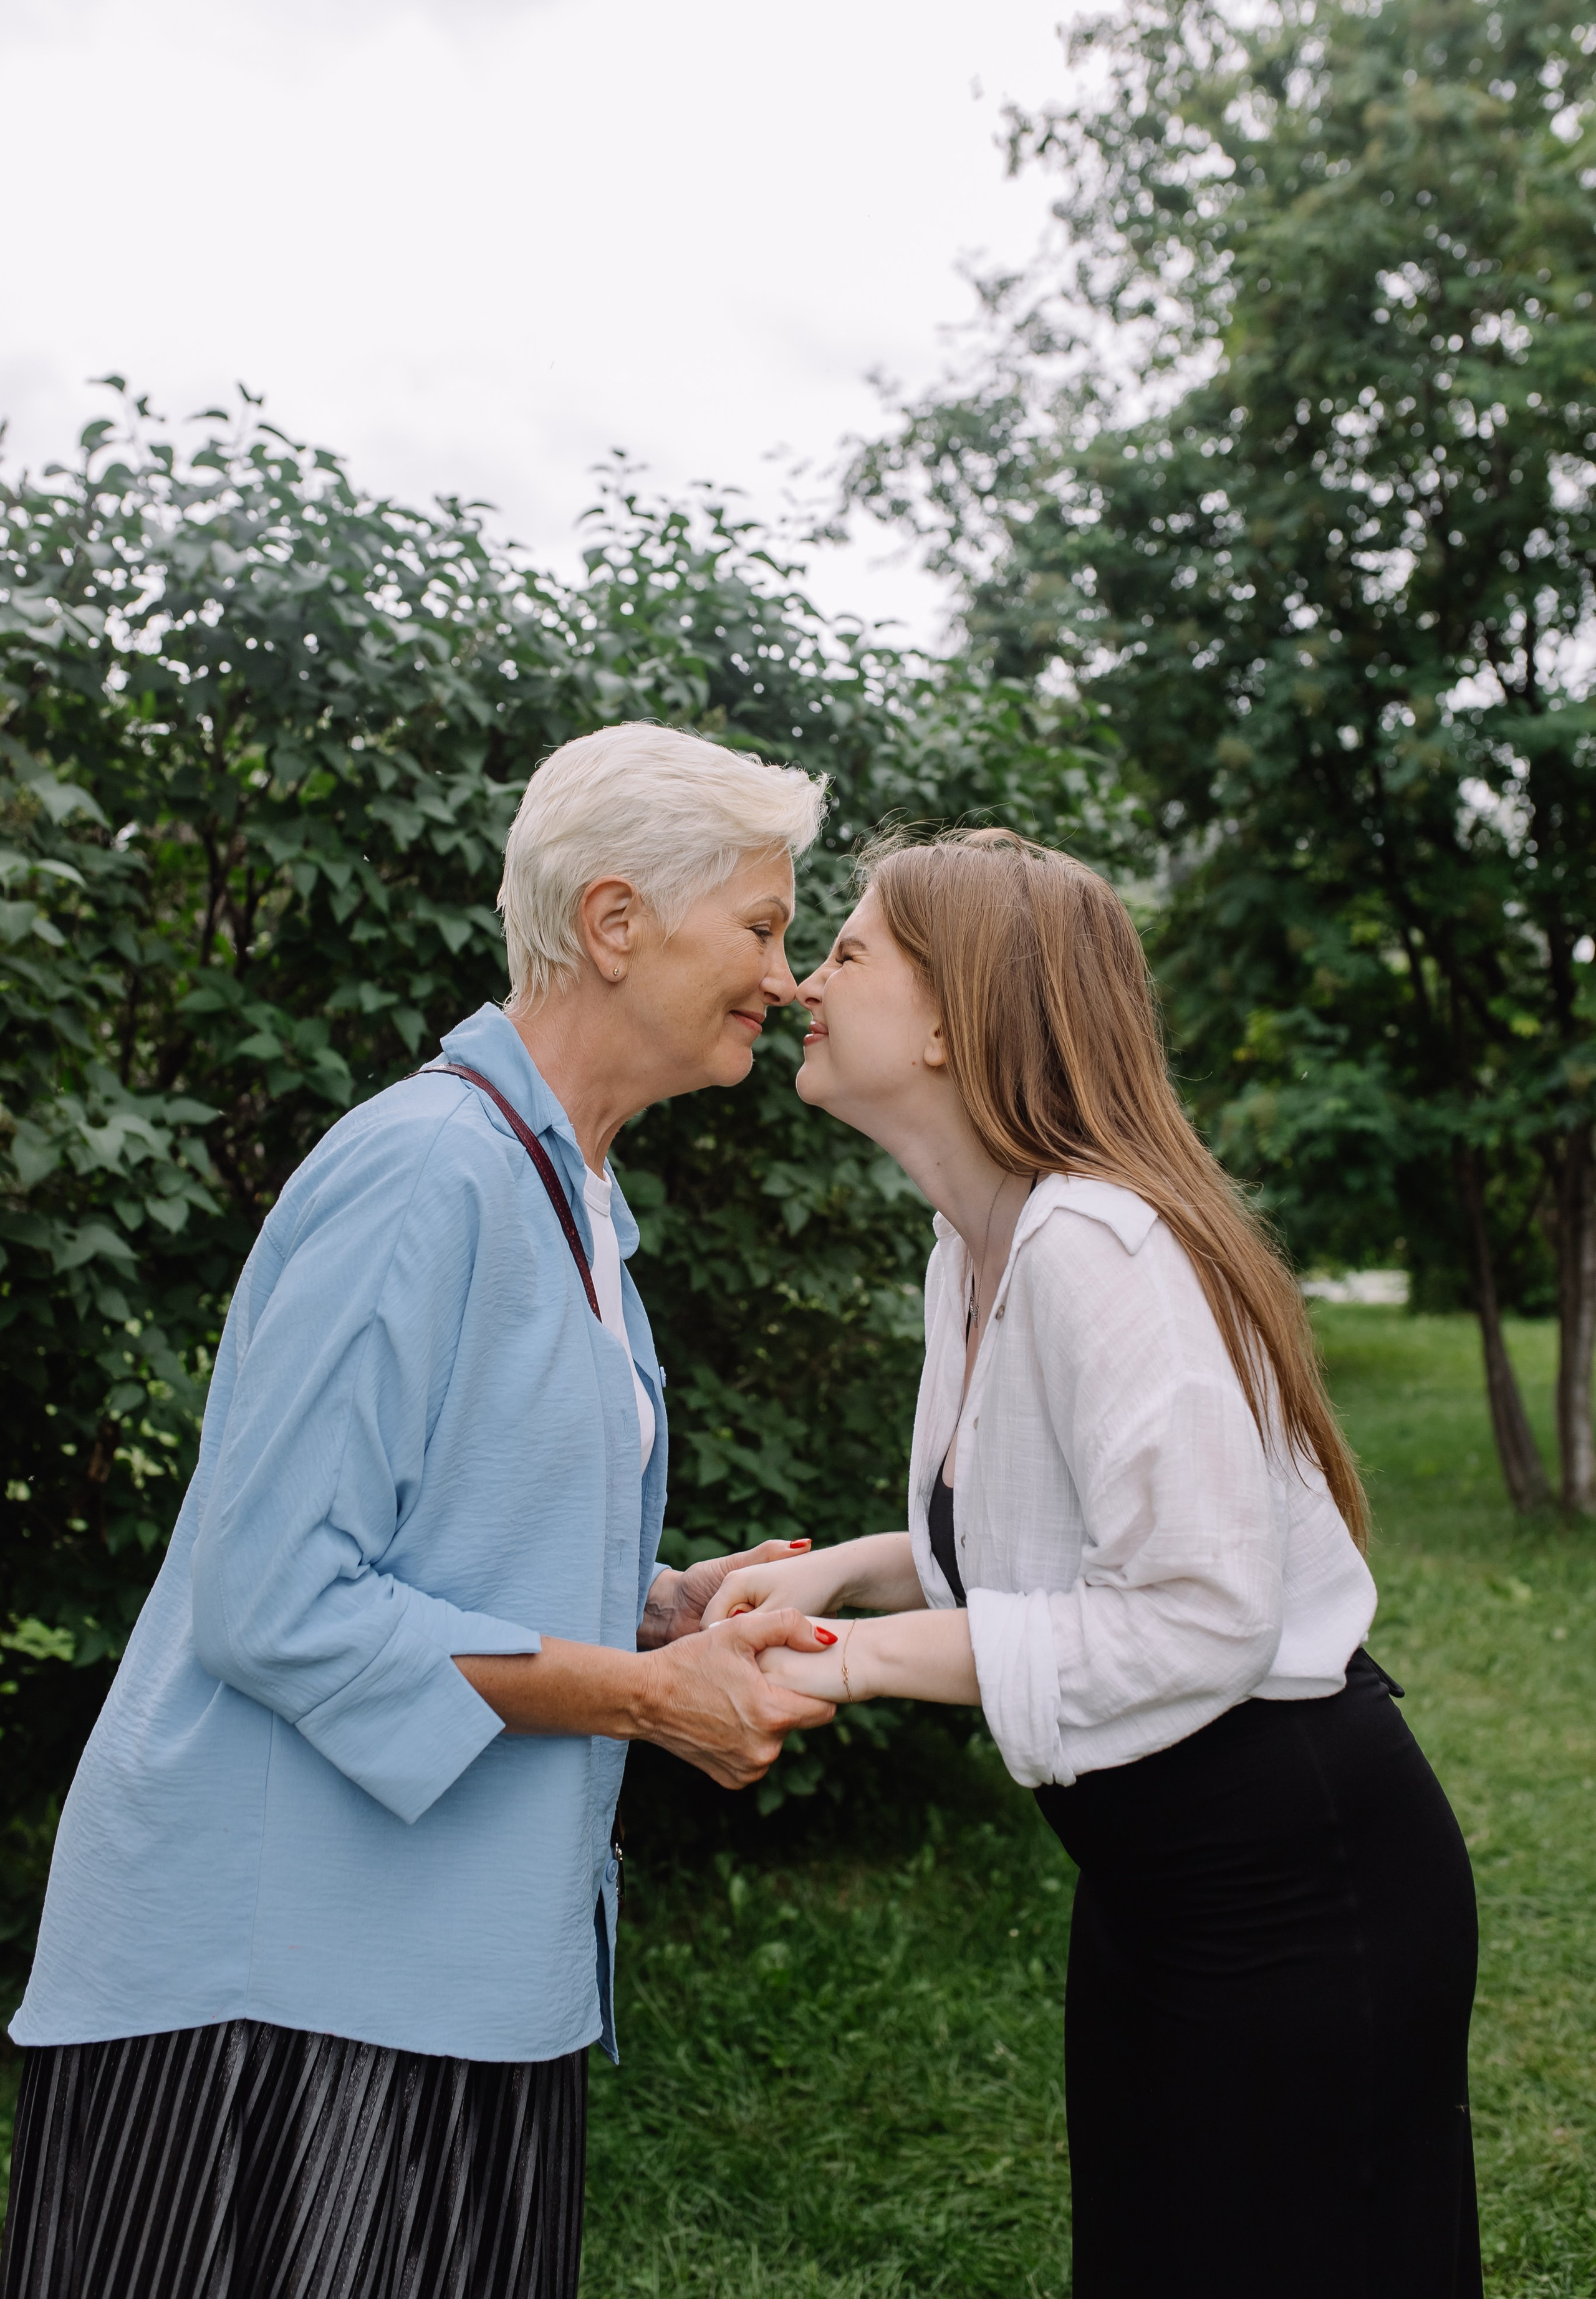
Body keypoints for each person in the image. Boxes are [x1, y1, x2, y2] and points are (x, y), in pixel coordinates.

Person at [1, 722, 842, 2299]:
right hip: (273, 1995)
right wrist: (648, 1698)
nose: (785, 975)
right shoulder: (427, 1171)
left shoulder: (573, 1191)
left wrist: (653, 1605)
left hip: (447, 1970)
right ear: (612, 923)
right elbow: (279, 1599)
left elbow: (443, 1531)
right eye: (762, 925)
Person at [708, 828, 1483, 2299]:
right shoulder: (972, 1247)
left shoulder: (1092, 1248)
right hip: (1151, 1883)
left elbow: (1193, 1613)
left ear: (951, 1017)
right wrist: (837, 1577)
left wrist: (850, 1664)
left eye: (850, 949)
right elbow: (1032, 1549)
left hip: (1294, 1887)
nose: (808, 979)